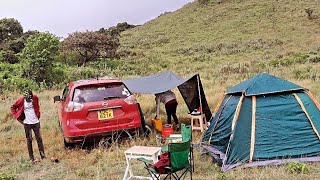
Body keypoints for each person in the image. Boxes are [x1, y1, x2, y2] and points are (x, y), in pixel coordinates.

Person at [10, 90, 46, 163]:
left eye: (30, 99)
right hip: (27, 123)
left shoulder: (35, 98)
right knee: (29, 140)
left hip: (36, 122)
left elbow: (37, 107)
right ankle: (31, 157)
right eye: (28, 100)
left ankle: (42, 155)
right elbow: (13, 107)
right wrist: (17, 116)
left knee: (39, 139)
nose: (30, 101)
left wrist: (38, 114)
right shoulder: (21, 100)